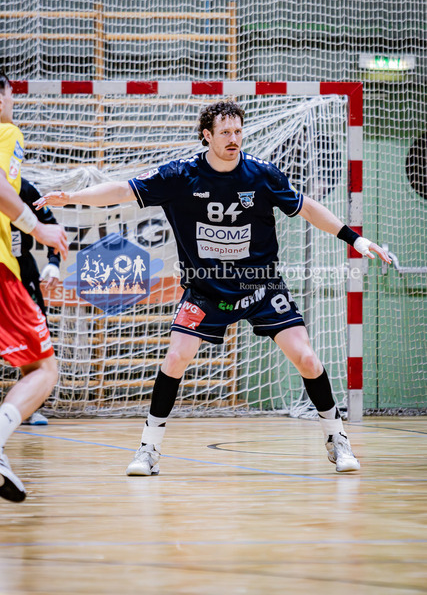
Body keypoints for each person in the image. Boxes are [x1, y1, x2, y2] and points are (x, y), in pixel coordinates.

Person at [35, 100, 391, 476]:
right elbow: (122, 190)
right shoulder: (180, 175)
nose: (233, 139)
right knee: (176, 358)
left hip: (261, 286)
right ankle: (148, 450)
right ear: (207, 135)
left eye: (238, 131)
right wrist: (72, 197)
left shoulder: (262, 174)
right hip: (205, 291)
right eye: (225, 132)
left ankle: (337, 439)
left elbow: (308, 208)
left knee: (306, 358)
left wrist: (356, 239)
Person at [0, 71, 68, 502]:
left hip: (26, 274)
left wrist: (53, 263)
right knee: (44, 368)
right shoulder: (7, 132)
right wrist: (35, 228)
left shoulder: (31, 188)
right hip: (3, 269)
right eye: (10, 94)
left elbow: (51, 220)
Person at [11, 177, 62, 426]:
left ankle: (30, 407)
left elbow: (51, 227)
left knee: (35, 338)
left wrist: (54, 263)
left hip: (22, 271)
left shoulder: (25, 188)